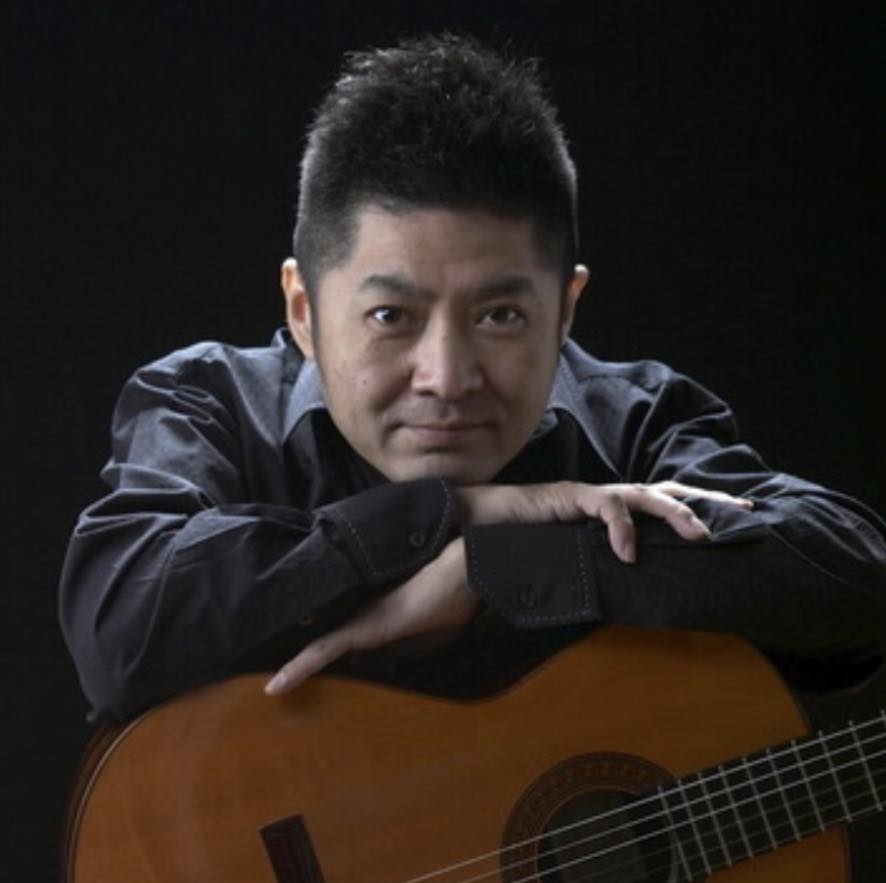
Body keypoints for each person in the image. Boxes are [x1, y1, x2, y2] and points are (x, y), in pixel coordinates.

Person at [60, 34, 886, 724]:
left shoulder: (637, 421)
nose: (448, 378)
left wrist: (501, 567)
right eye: (392, 316)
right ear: (304, 310)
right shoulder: (207, 405)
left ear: (565, 310)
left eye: (500, 316)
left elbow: (856, 577)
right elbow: (118, 623)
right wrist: (455, 511)